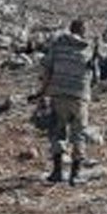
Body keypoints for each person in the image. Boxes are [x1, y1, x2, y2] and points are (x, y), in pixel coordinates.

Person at [39, 18, 95, 185]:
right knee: (78, 134)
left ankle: (57, 172)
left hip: (58, 95)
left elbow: (47, 70)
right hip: (80, 97)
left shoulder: (57, 46)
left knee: (57, 131)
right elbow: (96, 75)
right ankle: (75, 174)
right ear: (83, 31)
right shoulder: (89, 48)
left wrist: (42, 92)